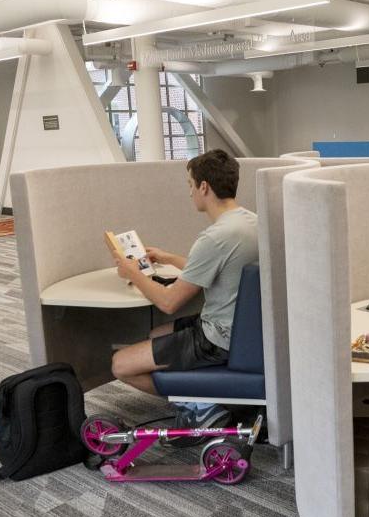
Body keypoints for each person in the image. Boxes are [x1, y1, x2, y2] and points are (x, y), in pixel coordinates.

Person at [109, 149, 258, 444]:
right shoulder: (249, 222)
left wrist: (133, 272)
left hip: (218, 337)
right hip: (240, 330)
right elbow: (214, 268)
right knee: (157, 333)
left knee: (120, 364)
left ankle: (202, 408)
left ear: (204, 187)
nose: (190, 192)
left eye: (190, 184)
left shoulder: (215, 237)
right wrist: (167, 257)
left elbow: (168, 302)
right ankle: (202, 401)